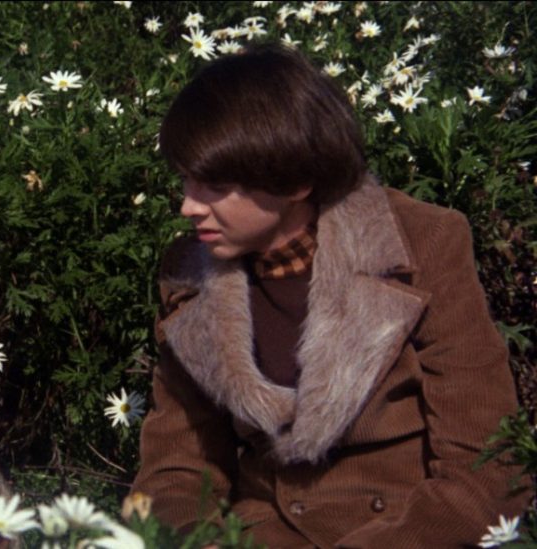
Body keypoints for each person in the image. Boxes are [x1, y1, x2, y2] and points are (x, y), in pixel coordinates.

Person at [131, 43, 530, 547]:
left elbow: (487, 467)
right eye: (186, 180)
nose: (188, 206)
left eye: (214, 184)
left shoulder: (422, 244)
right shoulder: (189, 275)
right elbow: (177, 469)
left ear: (294, 179)